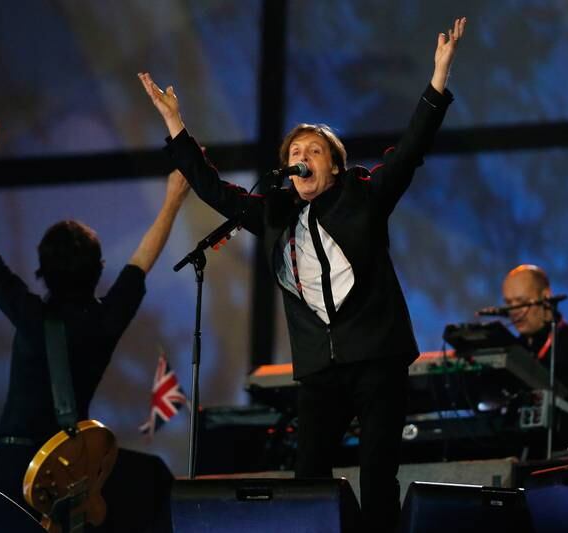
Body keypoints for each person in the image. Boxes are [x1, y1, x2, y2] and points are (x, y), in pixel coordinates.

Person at [138, 17, 466, 532]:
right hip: (319, 369)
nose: (302, 157)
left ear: (333, 165)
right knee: (308, 476)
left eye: (314, 151)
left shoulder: (363, 198)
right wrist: (176, 126)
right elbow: (214, 190)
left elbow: (410, 152)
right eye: (295, 152)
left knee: (378, 474)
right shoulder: (274, 213)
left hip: (377, 356)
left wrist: (438, 79)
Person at [0, 116, 190, 514]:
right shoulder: (106, 320)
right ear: (99, 268)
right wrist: (173, 199)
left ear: (43, 270)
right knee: (153, 480)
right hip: (74, 471)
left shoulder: (30, 314)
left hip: (13, 474)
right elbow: (141, 261)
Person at [501, 264, 568, 418]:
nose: (514, 311)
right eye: (509, 303)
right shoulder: (512, 350)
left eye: (521, 301)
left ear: (546, 296)